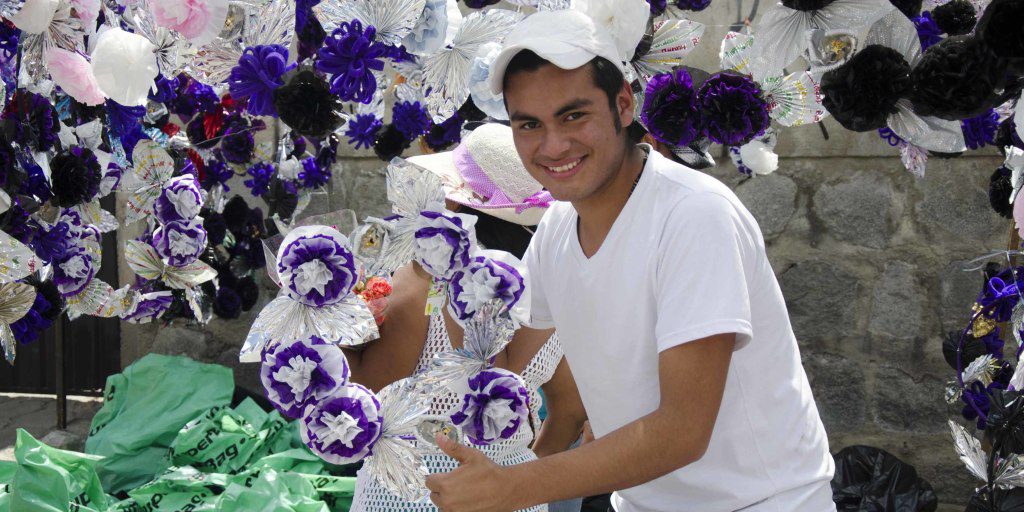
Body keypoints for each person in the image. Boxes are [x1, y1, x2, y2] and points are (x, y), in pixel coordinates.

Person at [425, 9, 836, 512]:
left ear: (623, 104)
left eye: (573, 115)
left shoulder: (693, 215)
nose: (553, 145)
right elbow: (505, 357)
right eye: (529, 124)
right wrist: (442, 269)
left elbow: (683, 431)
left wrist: (516, 485)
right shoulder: (557, 228)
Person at [344, 123, 588, 512]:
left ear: (456, 204)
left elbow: (374, 394)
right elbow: (571, 410)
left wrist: (333, 327)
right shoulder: (552, 295)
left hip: (416, 494)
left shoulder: (426, 279)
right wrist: (518, 474)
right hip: (513, 495)